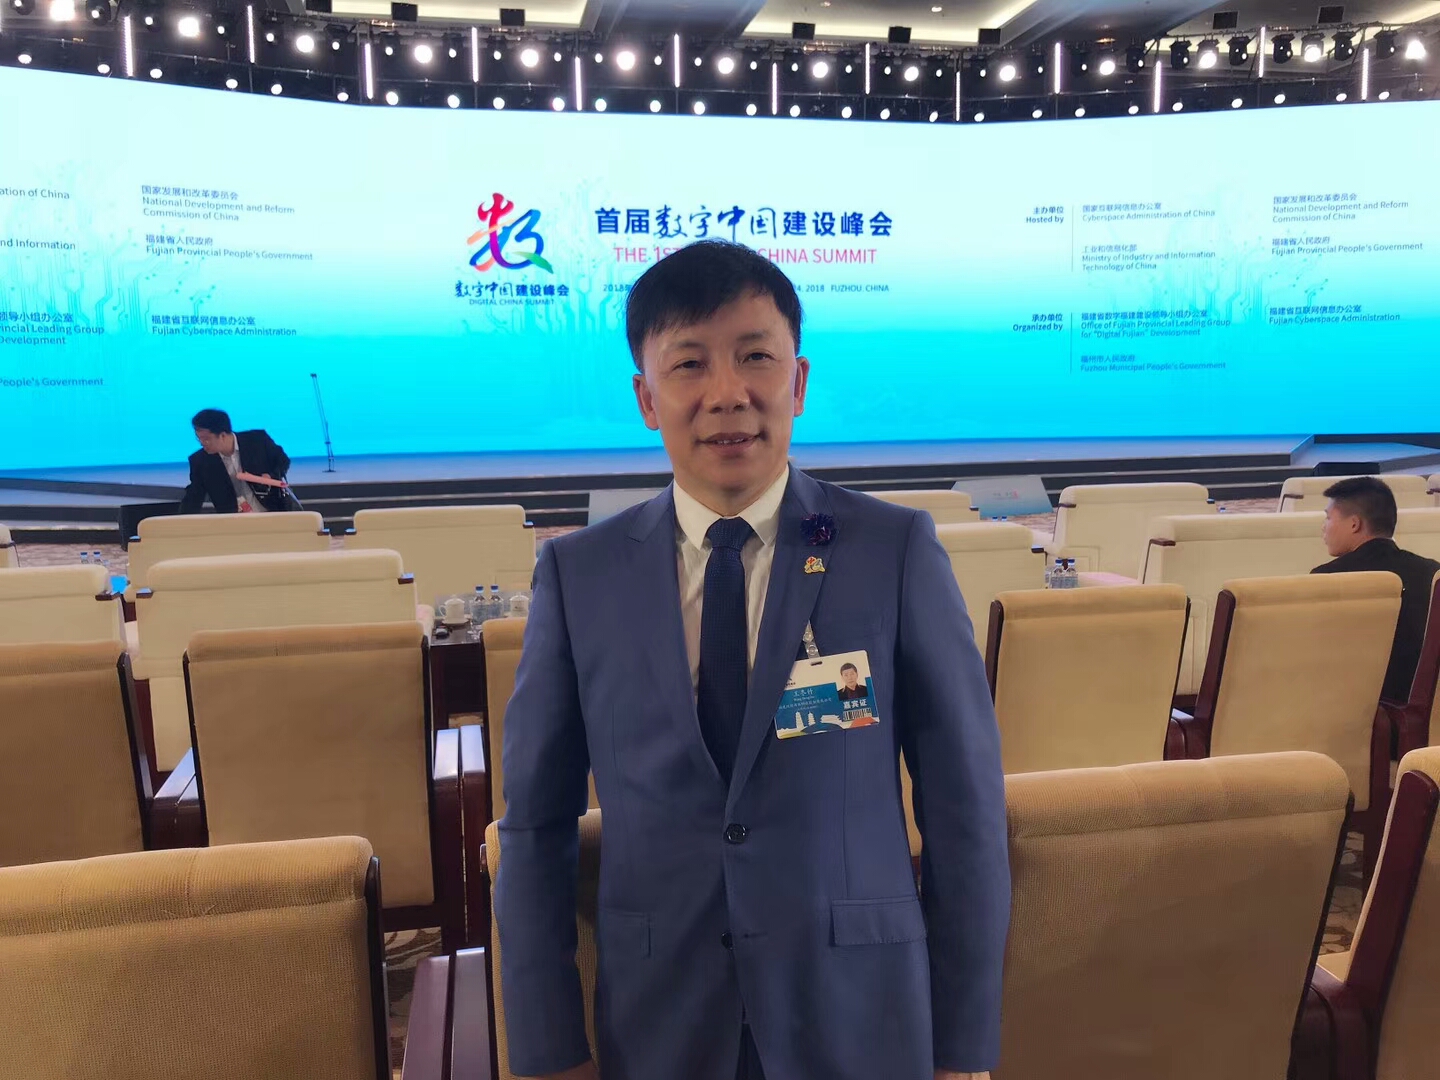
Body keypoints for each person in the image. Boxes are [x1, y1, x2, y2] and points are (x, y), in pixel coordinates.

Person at [494, 240, 1009, 1080]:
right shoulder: (578, 576)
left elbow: (965, 811)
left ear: (797, 382)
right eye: (689, 363)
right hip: (660, 1019)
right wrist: (549, 1048)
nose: (727, 393)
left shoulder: (893, 551)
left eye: (755, 357)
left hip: (858, 1011)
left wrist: (962, 1044)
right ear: (647, 398)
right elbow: (534, 825)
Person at [1313, 475, 1440, 702]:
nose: (1323, 527)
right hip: (1428, 709)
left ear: (1354, 524)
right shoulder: (1433, 573)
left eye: (1328, 517)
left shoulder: (1327, 578)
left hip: (1362, 711)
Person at [178, 408, 292, 514]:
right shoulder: (200, 461)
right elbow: (194, 496)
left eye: (206, 439)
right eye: (199, 438)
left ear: (222, 435)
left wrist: (270, 476)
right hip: (234, 520)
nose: (202, 443)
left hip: (272, 512)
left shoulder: (258, 441)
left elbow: (283, 461)